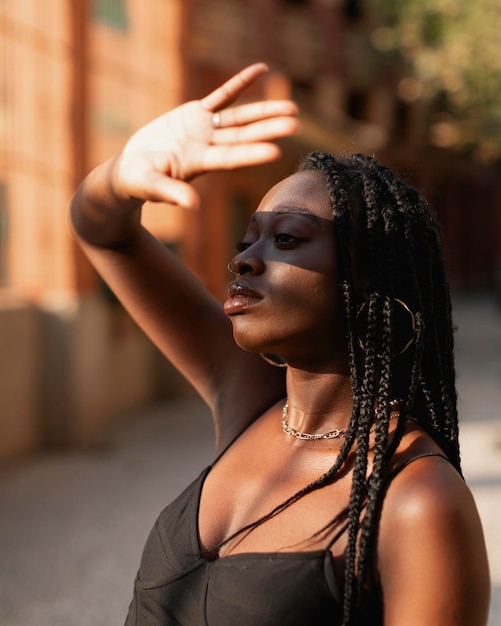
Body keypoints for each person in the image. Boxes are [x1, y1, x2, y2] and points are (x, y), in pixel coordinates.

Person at [70, 63, 490, 625]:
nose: (244, 258)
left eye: (287, 238)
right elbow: (102, 229)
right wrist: (122, 175)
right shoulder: (251, 399)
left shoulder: (415, 499)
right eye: (248, 238)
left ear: (369, 280)